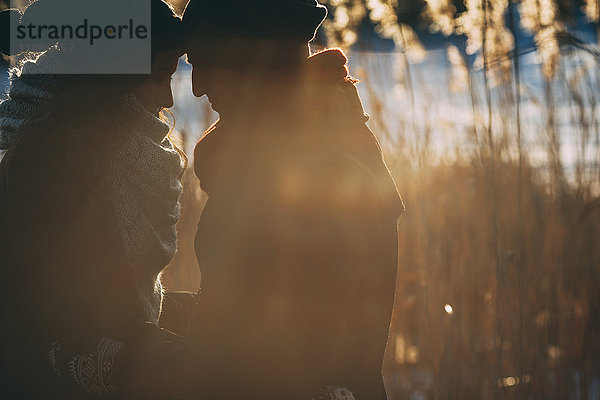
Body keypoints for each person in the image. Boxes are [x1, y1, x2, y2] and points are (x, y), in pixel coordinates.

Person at [182, 0, 405, 398]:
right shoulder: (278, 153)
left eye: (207, 62)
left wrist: (135, 361)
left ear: (253, 61)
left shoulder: (325, 173)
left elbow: (281, 367)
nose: (197, 86)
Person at [0, 1, 194, 398]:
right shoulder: (45, 171)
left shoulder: (119, 158)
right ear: (112, 77)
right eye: (159, 77)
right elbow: (51, 324)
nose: (170, 100)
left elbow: (122, 304)